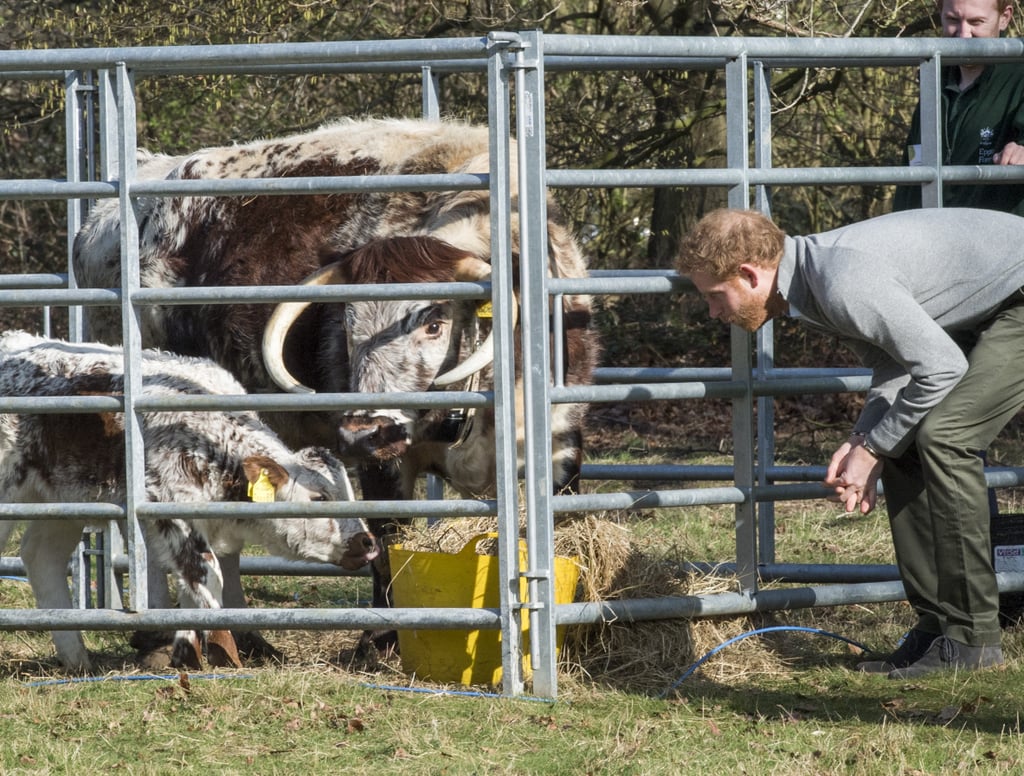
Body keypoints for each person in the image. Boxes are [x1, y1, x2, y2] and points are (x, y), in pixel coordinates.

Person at [675, 206, 1024, 679]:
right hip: (1000, 301)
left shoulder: (840, 282)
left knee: (945, 439)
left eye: (716, 297)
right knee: (905, 440)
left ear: (749, 274)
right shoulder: (808, 287)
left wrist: (874, 449)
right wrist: (866, 439)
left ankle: (972, 639)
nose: (715, 314)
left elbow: (942, 366)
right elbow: (895, 366)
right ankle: (937, 624)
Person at [893, 0, 1024, 215]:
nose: (964, 34)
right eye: (953, 20)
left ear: (1005, 18)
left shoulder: (1019, 75)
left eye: (976, 22)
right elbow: (913, 168)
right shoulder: (932, 76)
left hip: (999, 240)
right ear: (940, 12)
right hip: (932, 239)